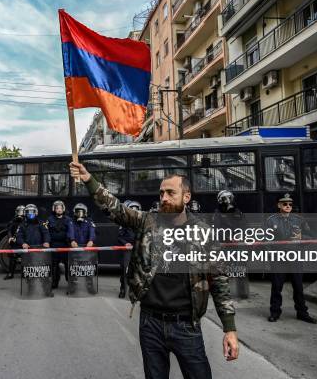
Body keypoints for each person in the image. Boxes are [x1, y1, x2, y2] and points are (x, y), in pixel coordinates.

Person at [70, 162, 238, 378]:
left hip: (186, 325)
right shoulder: (148, 221)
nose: (164, 198)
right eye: (161, 193)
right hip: (151, 323)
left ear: (186, 197)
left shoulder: (203, 233)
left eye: (170, 193)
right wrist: (88, 179)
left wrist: (229, 329)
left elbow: (219, 281)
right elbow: (115, 209)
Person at [265, 194, 317, 324]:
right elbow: (264, 239)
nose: (288, 206)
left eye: (290, 204)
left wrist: (302, 238)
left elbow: (311, 237)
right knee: (277, 287)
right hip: (279, 258)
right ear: (279, 205)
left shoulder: (299, 220)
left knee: (298, 287)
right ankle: (274, 313)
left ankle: (302, 313)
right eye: (285, 204)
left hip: (295, 257)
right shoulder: (271, 221)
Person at [213, 190, 249, 299]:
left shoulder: (237, 211)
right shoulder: (218, 213)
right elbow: (217, 229)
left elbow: (244, 226)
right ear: (220, 200)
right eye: (225, 198)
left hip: (238, 244)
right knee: (225, 268)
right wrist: (227, 237)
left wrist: (239, 235)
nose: (227, 200)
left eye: (229, 198)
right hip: (226, 246)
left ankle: (242, 292)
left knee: (241, 268)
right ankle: (225, 293)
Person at [47, 200, 74, 289]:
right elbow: (46, 231)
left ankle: (69, 282)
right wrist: (46, 241)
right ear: (54, 209)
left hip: (65, 245)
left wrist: (72, 240)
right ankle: (55, 282)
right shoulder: (49, 219)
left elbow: (71, 231)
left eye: (60, 208)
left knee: (68, 264)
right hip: (54, 245)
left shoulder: (68, 219)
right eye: (57, 208)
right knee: (54, 265)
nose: (59, 210)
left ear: (63, 209)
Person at [118, 200, 140, 299]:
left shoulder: (141, 223)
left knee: (137, 271)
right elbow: (119, 237)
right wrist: (125, 243)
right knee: (125, 270)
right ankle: (123, 288)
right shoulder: (124, 222)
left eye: (136, 210)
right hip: (127, 250)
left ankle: (135, 292)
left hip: (138, 250)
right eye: (132, 210)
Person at [4, 205, 25, 280]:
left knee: (25, 258)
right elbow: (9, 230)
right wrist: (10, 237)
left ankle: (25, 273)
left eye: (22, 212)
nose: (20, 213)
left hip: (23, 242)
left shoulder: (26, 222)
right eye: (19, 212)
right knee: (12, 257)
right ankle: (10, 273)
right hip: (14, 242)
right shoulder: (12, 221)